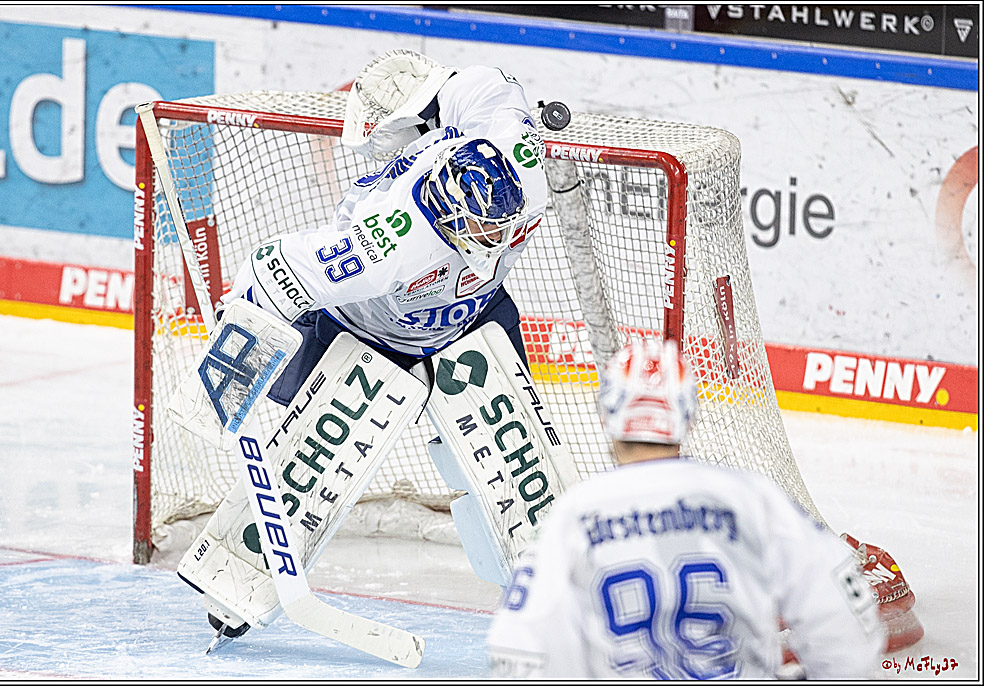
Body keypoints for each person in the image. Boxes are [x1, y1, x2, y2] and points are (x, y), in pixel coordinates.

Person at [181, 49, 556, 643]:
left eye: (496, 226)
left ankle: (558, 590)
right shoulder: (393, 241)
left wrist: (425, 102)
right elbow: (281, 267)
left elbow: (475, 89)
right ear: (447, 217)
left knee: (523, 477)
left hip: (474, 320)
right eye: (476, 228)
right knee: (309, 464)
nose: (490, 236)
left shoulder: (513, 144)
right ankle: (240, 582)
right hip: (364, 334)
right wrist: (238, 350)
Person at [487, 338, 886, 679]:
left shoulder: (572, 515)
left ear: (607, 414)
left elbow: (518, 644)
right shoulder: (747, 496)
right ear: (688, 415)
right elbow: (841, 601)